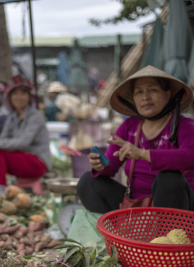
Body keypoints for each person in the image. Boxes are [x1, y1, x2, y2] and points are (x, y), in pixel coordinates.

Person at [77, 65, 194, 213]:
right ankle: (121, 231)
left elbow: (191, 156)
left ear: (168, 94)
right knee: (88, 182)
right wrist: (100, 165)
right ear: (133, 99)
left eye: (153, 90)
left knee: (169, 178)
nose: (145, 97)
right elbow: (111, 166)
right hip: (135, 206)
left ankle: (166, 235)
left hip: (178, 207)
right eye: (139, 92)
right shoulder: (129, 127)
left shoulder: (185, 126)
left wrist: (143, 154)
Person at [0, 75, 51, 190]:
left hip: (37, 163)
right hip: (19, 158)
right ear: (9, 96)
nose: (19, 97)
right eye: (15, 93)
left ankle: (1, 189)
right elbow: (3, 138)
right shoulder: (12, 117)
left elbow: (23, 143)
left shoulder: (36, 116)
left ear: (29, 97)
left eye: (23, 93)